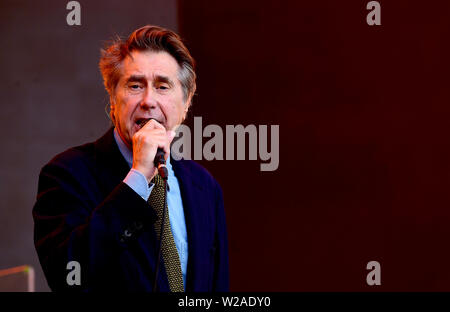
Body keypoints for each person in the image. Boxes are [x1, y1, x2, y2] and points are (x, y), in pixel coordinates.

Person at [32, 25, 229, 292]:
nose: (148, 100)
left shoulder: (205, 187)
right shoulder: (67, 174)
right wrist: (137, 178)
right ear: (113, 99)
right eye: (135, 85)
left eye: (162, 86)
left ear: (185, 104)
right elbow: (68, 277)